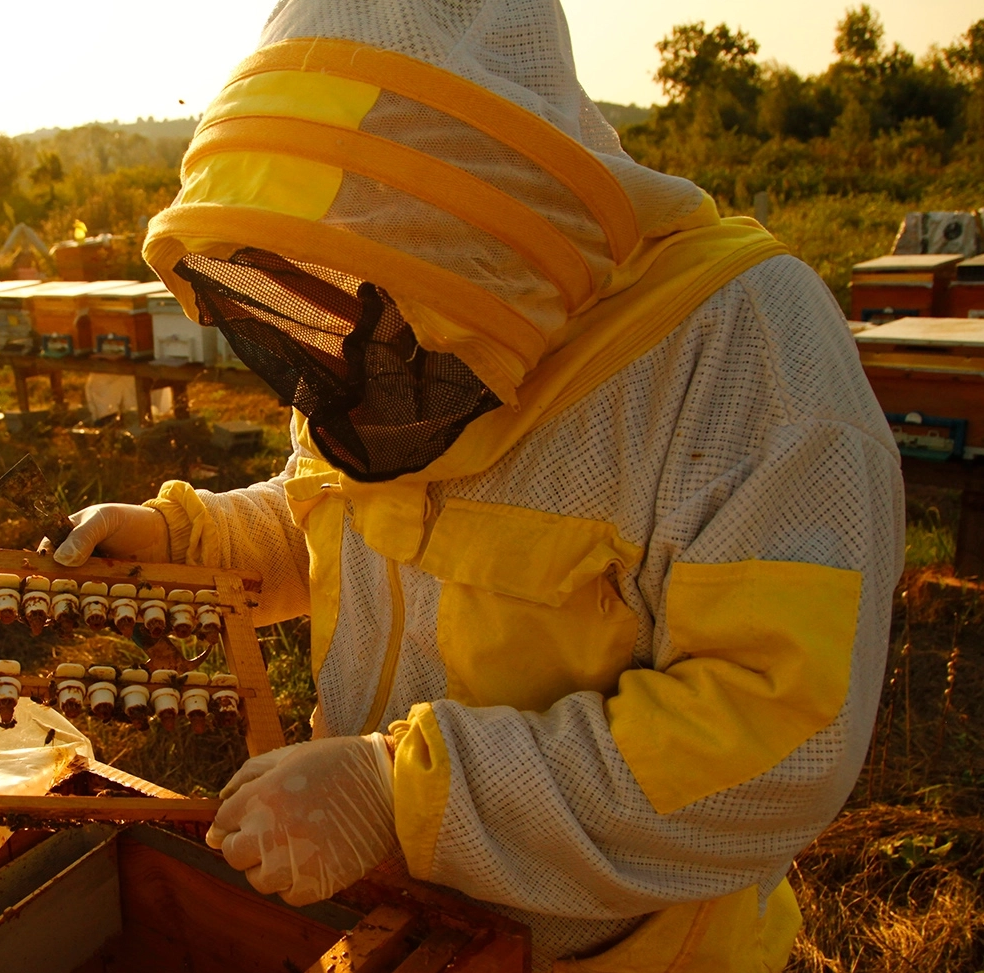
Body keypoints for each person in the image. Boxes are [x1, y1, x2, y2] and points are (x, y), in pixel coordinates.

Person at [54, 2, 905, 969]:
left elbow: (776, 736)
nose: (346, 291)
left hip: (623, 951)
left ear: (480, 182)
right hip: (396, 918)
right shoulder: (381, 307)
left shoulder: (742, 350)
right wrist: (192, 540)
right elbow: (341, 513)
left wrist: (400, 792)